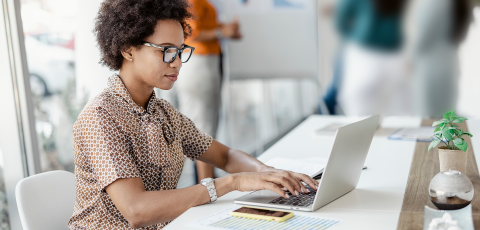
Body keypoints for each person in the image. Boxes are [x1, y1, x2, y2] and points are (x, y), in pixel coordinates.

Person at [68, 0, 318, 229]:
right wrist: (233, 183)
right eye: (165, 50)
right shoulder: (100, 117)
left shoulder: (164, 113)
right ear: (128, 49)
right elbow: (137, 210)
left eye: (179, 51)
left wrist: (270, 175)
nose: (176, 62)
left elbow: (225, 156)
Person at [177, 0, 241, 183]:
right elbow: (191, 31)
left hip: (207, 62)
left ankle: (208, 181)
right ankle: (207, 187)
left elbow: (204, 24)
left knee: (208, 126)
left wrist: (224, 28)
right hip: (198, 64)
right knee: (202, 128)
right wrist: (222, 32)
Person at [335, 0, 410, 116]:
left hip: (368, 53)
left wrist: (355, 38)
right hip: (390, 53)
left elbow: (340, 23)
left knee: (359, 105)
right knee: (400, 106)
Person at [404, 0, 472, 118]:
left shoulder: (434, 2)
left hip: (431, 68)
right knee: (444, 118)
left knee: (429, 120)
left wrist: (408, 60)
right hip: (447, 63)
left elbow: (422, 36)